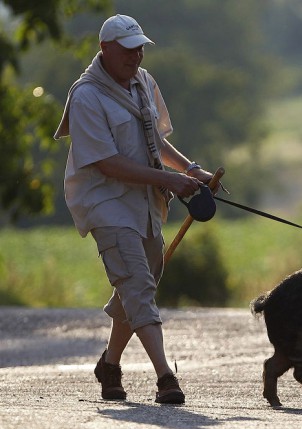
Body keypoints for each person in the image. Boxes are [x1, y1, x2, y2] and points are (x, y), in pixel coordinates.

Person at [54, 14, 214, 404]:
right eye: (127, 49)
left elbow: (155, 141)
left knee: (135, 287)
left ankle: (109, 365)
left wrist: (188, 169)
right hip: (105, 202)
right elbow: (106, 163)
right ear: (105, 49)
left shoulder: (144, 82)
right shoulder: (87, 96)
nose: (136, 55)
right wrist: (169, 180)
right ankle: (165, 378)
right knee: (138, 286)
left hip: (144, 202)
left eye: (139, 47)